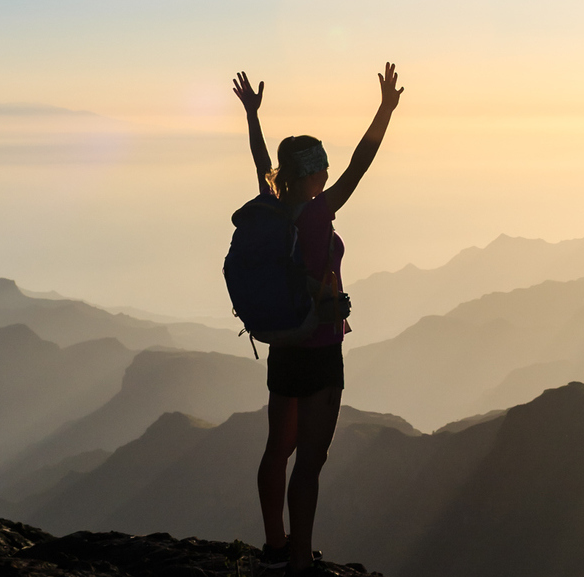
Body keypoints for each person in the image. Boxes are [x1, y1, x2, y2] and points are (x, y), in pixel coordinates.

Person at [231, 63, 402, 575]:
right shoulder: (317, 211)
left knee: (275, 452)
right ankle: (301, 561)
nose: (328, 174)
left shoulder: (274, 206)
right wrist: (385, 111)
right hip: (322, 347)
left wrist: (253, 117)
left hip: (284, 343)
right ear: (312, 172)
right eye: (321, 168)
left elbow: (263, 163)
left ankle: (276, 547)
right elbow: (361, 163)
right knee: (309, 461)